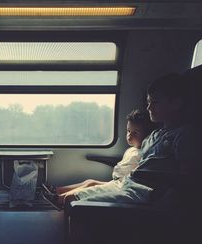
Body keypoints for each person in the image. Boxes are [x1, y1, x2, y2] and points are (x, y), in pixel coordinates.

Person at [42, 73, 193, 210]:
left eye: (155, 102)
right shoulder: (154, 135)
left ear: (176, 103)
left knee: (72, 204)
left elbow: (186, 176)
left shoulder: (183, 135)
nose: (149, 107)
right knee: (70, 198)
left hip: (144, 193)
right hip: (128, 183)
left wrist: (162, 207)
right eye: (148, 102)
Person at [42, 109, 155, 210]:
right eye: (128, 131)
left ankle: (59, 199)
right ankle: (56, 191)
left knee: (90, 184)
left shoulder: (143, 154)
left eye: (135, 133)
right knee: (90, 182)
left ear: (147, 136)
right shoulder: (132, 150)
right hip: (116, 181)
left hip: (122, 183)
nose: (129, 136)